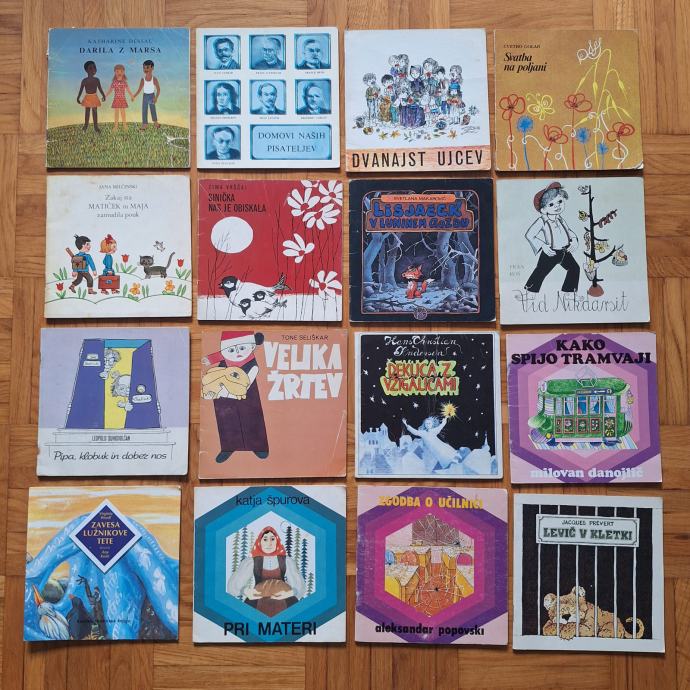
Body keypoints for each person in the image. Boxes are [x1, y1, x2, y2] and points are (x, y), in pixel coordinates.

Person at [201, 331, 268, 461]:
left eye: (242, 348)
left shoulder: (252, 364)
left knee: (252, 417)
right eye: (231, 350)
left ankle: (258, 446)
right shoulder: (224, 358)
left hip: (247, 394)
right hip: (223, 396)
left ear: (251, 346)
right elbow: (218, 356)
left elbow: (246, 385)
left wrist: (226, 392)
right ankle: (228, 447)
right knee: (226, 420)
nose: (237, 353)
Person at [226, 527, 306, 618]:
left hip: (284, 599)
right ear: (260, 542)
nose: (269, 543)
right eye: (265, 539)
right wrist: (246, 591)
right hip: (257, 599)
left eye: (272, 539)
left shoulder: (286, 561)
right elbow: (233, 586)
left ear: (277, 541)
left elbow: (299, 586)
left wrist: (289, 593)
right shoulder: (252, 562)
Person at [524, 182, 580, 293]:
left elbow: (569, 231)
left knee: (574, 268)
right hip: (550, 252)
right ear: (543, 210)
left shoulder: (560, 219)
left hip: (564, 251)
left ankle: (569, 291)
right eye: (551, 204)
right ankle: (529, 291)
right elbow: (529, 235)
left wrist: (574, 240)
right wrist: (543, 246)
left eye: (560, 201)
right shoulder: (542, 221)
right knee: (540, 272)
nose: (557, 206)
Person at [76, 60, 106, 133]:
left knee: (95, 112)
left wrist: (103, 95)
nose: (93, 69)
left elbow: (100, 88)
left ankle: (96, 127)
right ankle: (86, 125)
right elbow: (81, 90)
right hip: (87, 97)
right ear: (86, 70)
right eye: (90, 68)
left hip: (94, 97)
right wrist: (78, 97)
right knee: (87, 111)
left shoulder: (97, 80)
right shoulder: (84, 80)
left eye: (94, 67)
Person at [131, 60, 161, 129]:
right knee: (144, 109)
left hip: (152, 96)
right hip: (145, 96)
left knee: (153, 109)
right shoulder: (143, 79)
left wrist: (156, 98)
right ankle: (144, 124)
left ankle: (155, 123)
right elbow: (139, 89)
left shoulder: (154, 79)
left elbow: (158, 89)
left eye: (147, 67)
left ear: (152, 68)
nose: (145, 69)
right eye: (144, 68)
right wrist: (134, 96)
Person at [104, 64, 134, 131]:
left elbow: (128, 90)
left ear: (123, 72)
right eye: (117, 71)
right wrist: (105, 96)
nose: (119, 73)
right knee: (116, 113)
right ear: (115, 72)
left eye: (121, 71)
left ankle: (125, 125)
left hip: (122, 99)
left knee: (123, 113)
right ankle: (116, 126)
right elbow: (110, 90)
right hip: (116, 99)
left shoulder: (124, 82)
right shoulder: (114, 82)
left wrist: (132, 96)